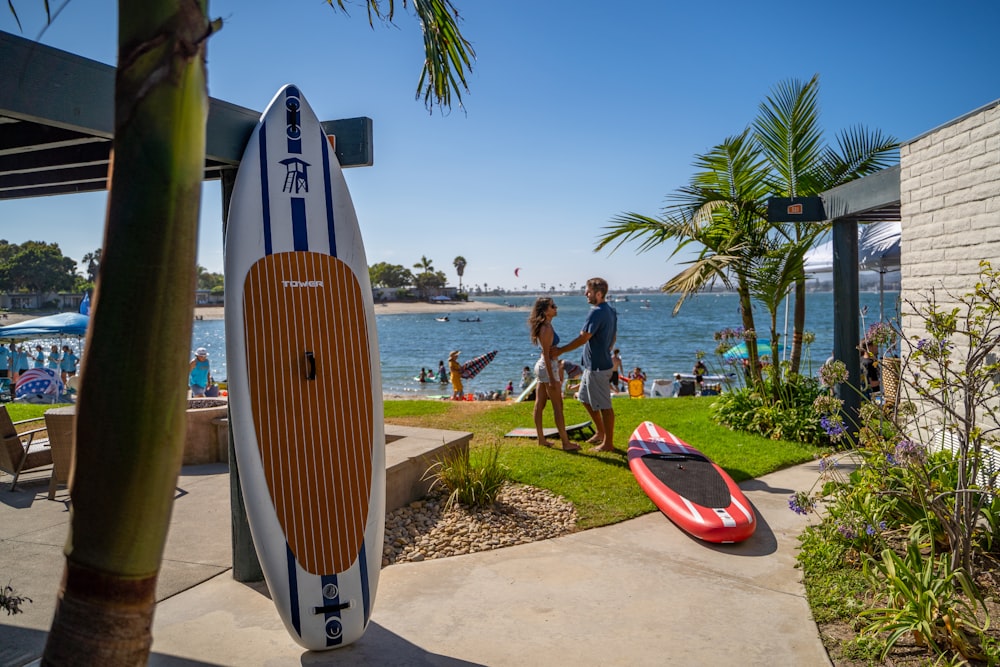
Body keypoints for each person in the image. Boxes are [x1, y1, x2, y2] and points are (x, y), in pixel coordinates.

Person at [552, 277, 618, 452]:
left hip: (598, 367)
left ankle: (608, 444)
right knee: (584, 398)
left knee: (605, 406)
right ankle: (601, 432)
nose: (585, 294)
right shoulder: (610, 311)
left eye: (588, 291)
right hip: (592, 365)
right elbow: (613, 337)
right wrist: (606, 349)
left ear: (598, 293)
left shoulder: (597, 312)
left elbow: (584, 338)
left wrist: (560, 351)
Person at [528, 297, 579, 451]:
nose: (556, 308)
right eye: (552, 306)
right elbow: (546, 353)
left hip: (544, 365)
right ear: (545, 310)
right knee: (558, 406)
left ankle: (541, 439)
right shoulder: (546, 328)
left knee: (540, 403)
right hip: (548, 366)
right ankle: (565, 443)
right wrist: (551, 378)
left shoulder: (546, 325)